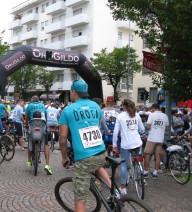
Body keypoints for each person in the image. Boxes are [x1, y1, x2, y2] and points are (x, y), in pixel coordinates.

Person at [59, 80, 110, 212]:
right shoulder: (95, 106)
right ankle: (115, 193)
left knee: (80, 199)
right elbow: (96, 126)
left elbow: (63, 138)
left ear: (73, 92)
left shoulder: (68, 110)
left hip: (84, 157)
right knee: (97, 164)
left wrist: (64, 157)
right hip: (101, 152)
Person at [113, 98, 145, 195]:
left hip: (126, 145)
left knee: (124, 166)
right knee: (138, 160)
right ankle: (140, 177)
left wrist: (114, 144)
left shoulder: (120, 116)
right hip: (137, 143)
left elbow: (115, 132)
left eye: (122, 105)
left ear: (124, 106)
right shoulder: (137, 115)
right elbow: (142, 129)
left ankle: (123, 188)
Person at [25, 95, 52, 175]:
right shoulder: (43, 105)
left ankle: (29, 161)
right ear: (38, 100)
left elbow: (26, 117)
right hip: (42, 126)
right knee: (46, 144)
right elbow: (46, 116)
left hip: (32, 126)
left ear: (32, 100)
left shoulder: (29, 106)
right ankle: (47, 165)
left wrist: (26, 125)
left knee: (29, 141)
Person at [143, 103, 169, 179]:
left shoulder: (152, 115)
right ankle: (155, 173)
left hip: (152, 138)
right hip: (160, 139)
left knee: (147, 154)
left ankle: (145, 172)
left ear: (154, 108)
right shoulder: (165, 116)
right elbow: (167, 128)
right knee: (158, 156)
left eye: (152, 109)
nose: (151, 110)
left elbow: (148, 126)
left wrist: (151, 128)